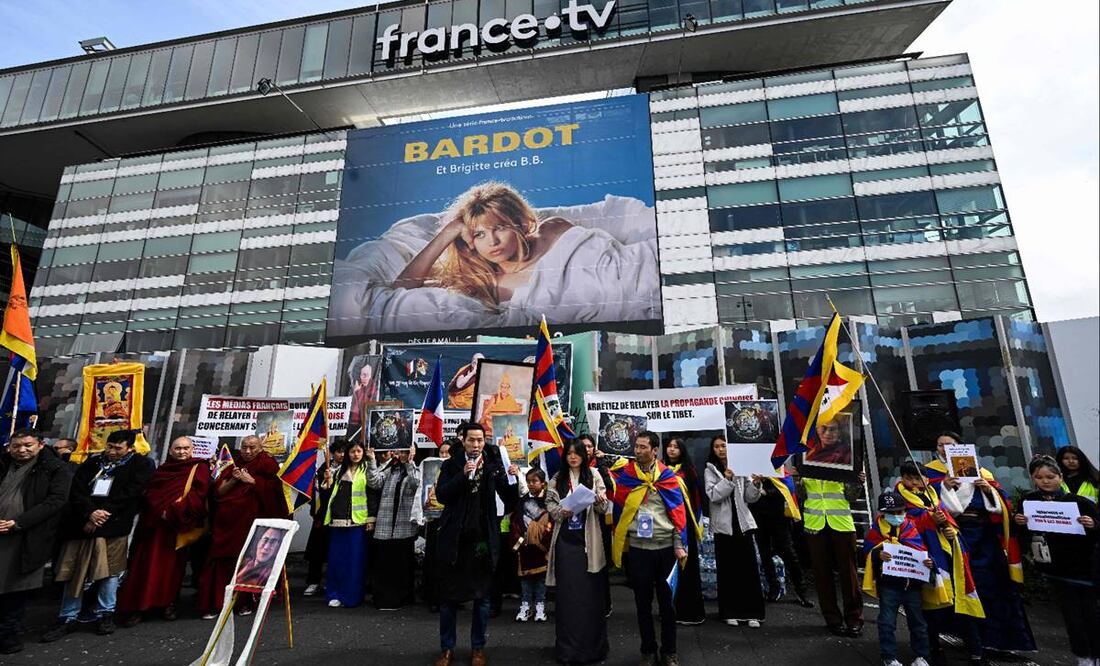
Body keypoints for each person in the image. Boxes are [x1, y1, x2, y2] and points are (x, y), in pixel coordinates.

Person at [923, 432, 1035, 656]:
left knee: (991, 585)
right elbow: (924, 502)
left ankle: (996, 640)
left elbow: (1001, 502)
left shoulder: (982, 471)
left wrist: (987, 489)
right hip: (952, 534)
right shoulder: (929, 472)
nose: (944, 449)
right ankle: (965, 637)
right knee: (958, 585)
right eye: (940, 445)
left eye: (949, 445)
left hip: (983, 536)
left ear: (960, 447)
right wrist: (944, 487)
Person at [41, 429, 154, 642]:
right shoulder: (93, 463)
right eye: (110, 446)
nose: (112, 451)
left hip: (114, 525)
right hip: (83, 524)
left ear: (129, 448)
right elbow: (77, 491)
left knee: (111, 571)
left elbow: (131, 493)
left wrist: (103, 515)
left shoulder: (140, 465)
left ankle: (105, 613)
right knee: (75, 571)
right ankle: (68, 615)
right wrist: (89, 513)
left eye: (118, 448)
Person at [393, 183, 576, 311]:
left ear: (520, 224)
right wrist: (449, 232)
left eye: (499, 228)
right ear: (469, 242)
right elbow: (398, 292)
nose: (492, 242)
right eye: (479, 234)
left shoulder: (553, 231)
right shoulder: (482, 285)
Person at [432, 422, 520, 666]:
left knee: (482, 599)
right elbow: (442, 495)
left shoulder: (492, 466)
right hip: (455, 541)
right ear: (463, 441)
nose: (476, 445)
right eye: (471, 440)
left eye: (480, 440)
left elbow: (510, 499)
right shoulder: (451, 465)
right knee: (449, 599)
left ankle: (478, 648)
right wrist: (463, 475)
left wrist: (513, 478)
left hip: (482, 541)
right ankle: (446, 648)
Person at [610, 431, 688, 666]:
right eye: (636, 446)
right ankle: (647, 651)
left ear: (655, 450)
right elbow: (619, 512)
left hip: (665, 549)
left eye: (644, 447)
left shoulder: (668, 477)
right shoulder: (627, 477)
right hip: (639, 549)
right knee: (642, 604)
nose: (638, 451)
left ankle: (670, 652)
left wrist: (678, 544)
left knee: (667, 605)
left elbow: (678, 515)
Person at [894, 461, 983, 664]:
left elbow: (948, 521)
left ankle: (975, 648)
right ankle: (932, 648)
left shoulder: (934, 497)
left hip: (947, 555)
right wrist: (930, 519)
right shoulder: (898, 500)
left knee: (960, 601)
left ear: (926, 479)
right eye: (909, 478)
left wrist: (951, 532)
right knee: (929, 608)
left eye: (918, 478)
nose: (914, 483)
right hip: (923, 559)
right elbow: (905, 524)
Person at [1015, 455, 1099, 666]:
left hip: (1084, 568)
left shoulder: (1079, 502)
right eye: (1039, 477)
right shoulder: (1029, 501)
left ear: (1060, 477)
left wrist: (1092, 524)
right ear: (1033, 478)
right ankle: (1083, 656)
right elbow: (1023, 535)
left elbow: (1097, 529)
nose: (1045, 481)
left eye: (1050, 476)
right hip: (1055, 569)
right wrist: (1020, 522)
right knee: (1072, 618)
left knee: (1092, 615)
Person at [117, 436, 210, 626]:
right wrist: (161, 510)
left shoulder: (198, 468)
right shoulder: (162, 470)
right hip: (153, 525)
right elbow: (151, 493)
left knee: (172, 569)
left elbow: (199, 495)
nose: (182, 452)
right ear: (170, 450)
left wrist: (174, 512)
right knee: (143, 567)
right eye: (177, 448)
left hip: (176, 527)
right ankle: (139, 606)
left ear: (192, 450)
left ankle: (167, 603)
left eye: (185, 448)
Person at [197, 435, 286, 619]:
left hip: (251, 523)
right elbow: (218, 493)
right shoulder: (233, 464)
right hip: (227, 523)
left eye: (252, 447)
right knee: (222, 562)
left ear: (260, 448)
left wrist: (253, 482)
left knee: (248, 560)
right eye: (244, 447)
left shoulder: (267, 464)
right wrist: (234, 480)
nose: (247, 451)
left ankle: (244, 603)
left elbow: (277, 494)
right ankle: (217, 602)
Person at [0, 429, 72, 655]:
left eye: (27, 445)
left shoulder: (55, 468)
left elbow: (56, 501)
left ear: (40, 445)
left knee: (14, 588)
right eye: (17, 446)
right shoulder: (3, 463)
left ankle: (8, 637)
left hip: (27, 536)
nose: (22, 450)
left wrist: (18, 522)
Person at [547, 440, 610, 663]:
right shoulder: (557, 478)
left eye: (577, 453)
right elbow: (550, 508)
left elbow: (604, 508)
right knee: (567, 597)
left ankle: (592, 649)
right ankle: (567, 649)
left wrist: (601, 500)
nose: (573, 457)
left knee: (589, 597)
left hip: (588, 542)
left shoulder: (593, 475)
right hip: (565, 542)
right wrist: (560, 511)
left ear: (584, 455)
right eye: (569, 454)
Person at [800, 422, 865, 637]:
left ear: (840, 432)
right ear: (816, 432)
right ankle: (832, 618)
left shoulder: (847, 456)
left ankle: (854, 619)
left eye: (833, 429)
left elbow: (852, 497)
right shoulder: (804, 455)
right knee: (822, 574)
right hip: (814, 524)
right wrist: (796, 479)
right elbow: (801, 496)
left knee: (849, 574)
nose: (828, 433)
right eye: (823, 429)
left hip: (841, 523)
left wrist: (857, 482)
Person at [861, 490, 933, 666]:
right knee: (887, 623)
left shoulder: (911, 529)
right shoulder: (875, 531)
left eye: (899, 512)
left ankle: (922, 656)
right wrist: (878, 554)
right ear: (882, 513)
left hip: (912, 586)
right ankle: (889, 657)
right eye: (891, 513)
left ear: (905, 511)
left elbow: (922, 551)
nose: (895, 516)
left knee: (918, 624)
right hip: (889, 586)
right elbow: (867, 553)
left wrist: (930, 564)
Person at [704, 436, 766, 627]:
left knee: (748, 569)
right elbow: (714, 495)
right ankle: (729, 612)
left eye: (724, 445)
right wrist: (728, 479)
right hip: (723, 527)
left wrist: (756, 484)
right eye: (717, 446)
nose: (721, 449)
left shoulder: (742, 466)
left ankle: (752, 613)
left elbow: (750, 497)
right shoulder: (710, 469)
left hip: (743, 523)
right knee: (728, 570)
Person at [368, 443, 421, 610]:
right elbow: (374, 482)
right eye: (399, 451)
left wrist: (410, 462)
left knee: (401, 566)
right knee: (384, 565)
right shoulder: (389, 469)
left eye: (405, 451)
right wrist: (371, 461)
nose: (400, 455)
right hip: (385, 526)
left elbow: (415, 484)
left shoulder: (414, 470)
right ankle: (384, 599)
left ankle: (402, 598)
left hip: (403, 527)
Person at [751, 467, 813, 608]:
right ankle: (773, 587)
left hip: (779, 517)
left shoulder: (778, 468)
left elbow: (786, 489)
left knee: (789, 553)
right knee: (764, 553)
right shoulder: (751, 467)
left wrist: (767, 492)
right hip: (758, 515)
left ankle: (801, 591)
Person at [662, 437, 705, 625]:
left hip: (685, 523)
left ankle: (691, 612)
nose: (671, 450)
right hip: (666, 523)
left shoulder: (689, 471)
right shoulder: (660, 471)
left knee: (688, 567)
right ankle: (671, 610)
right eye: (669, 447)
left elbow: (696, 498)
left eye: (676, 447)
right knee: (669, 569)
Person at [324, 441, 370, 608]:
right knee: (336, 560)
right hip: (337, 521)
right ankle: (334, 593)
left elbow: (372, 494)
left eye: (358, 451)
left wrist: (371, 518)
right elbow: (329, 494)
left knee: (354, 562)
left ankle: (352, 596)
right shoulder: (338, 471)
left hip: (357, 522)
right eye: (352, 451)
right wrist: (326, 481)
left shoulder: (368, 469)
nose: (355, 454)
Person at [304, 441, 345, 597]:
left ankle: (333, 582)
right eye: (339, 452)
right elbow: (316, 492)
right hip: (322, 516)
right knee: (317, 551)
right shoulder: (323, 470)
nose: (342, 455)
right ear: (331, 453)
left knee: (336, 551)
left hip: (339, 516)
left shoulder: (349, 469)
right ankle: (313, 582)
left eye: (344, 452)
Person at [510, 467, 551, 623]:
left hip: (542, 547)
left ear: (543, 483)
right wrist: (520, 538)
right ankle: (525, 605)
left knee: (541, 579)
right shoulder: (522, 501)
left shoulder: (548, 501)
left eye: (534, 481)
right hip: (525, 545)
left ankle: (540, 606)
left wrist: (543, 539)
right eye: (528, 481)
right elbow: (516, 521)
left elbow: (551, 521)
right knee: (526, 579)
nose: (531, 484)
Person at [579, 433, 614, 614]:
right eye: (582, 446)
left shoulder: (599, 467)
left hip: (599, 520)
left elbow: (611, 487)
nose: (586, 449)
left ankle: (603, 604)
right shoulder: (573, 468)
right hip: (579, 523)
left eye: (589, 446)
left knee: (600, 563)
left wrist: (602, 464)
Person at [422, 439, 454, 611]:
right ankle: (433, 597)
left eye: (447, 453)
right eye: (441, 452)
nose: (444, 456)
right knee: (434, 559)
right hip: (434, 520)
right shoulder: (431, 470)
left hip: (451, 520)